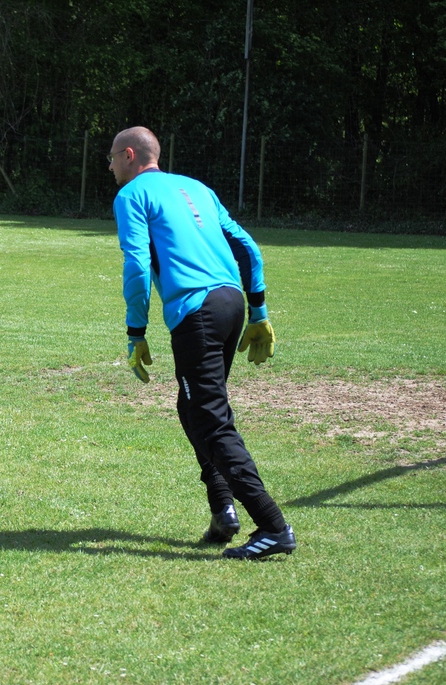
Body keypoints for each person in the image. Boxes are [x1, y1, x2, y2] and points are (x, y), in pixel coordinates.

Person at [108, 126, 295, 560]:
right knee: (191, 406)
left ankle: (273, 526)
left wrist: (136, 332)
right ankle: (222, 510)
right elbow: (247, 247)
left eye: (112, 158)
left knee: (211, 420)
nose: (110, 166)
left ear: (130, 155)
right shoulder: (197, 188)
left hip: (198, 313)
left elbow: (137, 266)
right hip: (231, 303)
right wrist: (259, 310)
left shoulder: (131, 195)